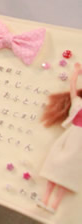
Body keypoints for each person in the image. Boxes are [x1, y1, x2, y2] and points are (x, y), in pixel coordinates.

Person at [38, 62, 82, 213]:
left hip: (79, 147)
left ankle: (55, 204)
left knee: (67, 174)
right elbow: (72, 86)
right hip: (70, 137)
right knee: (56, 165)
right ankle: (45, 199)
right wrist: (76, 72)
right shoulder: (78, 103)